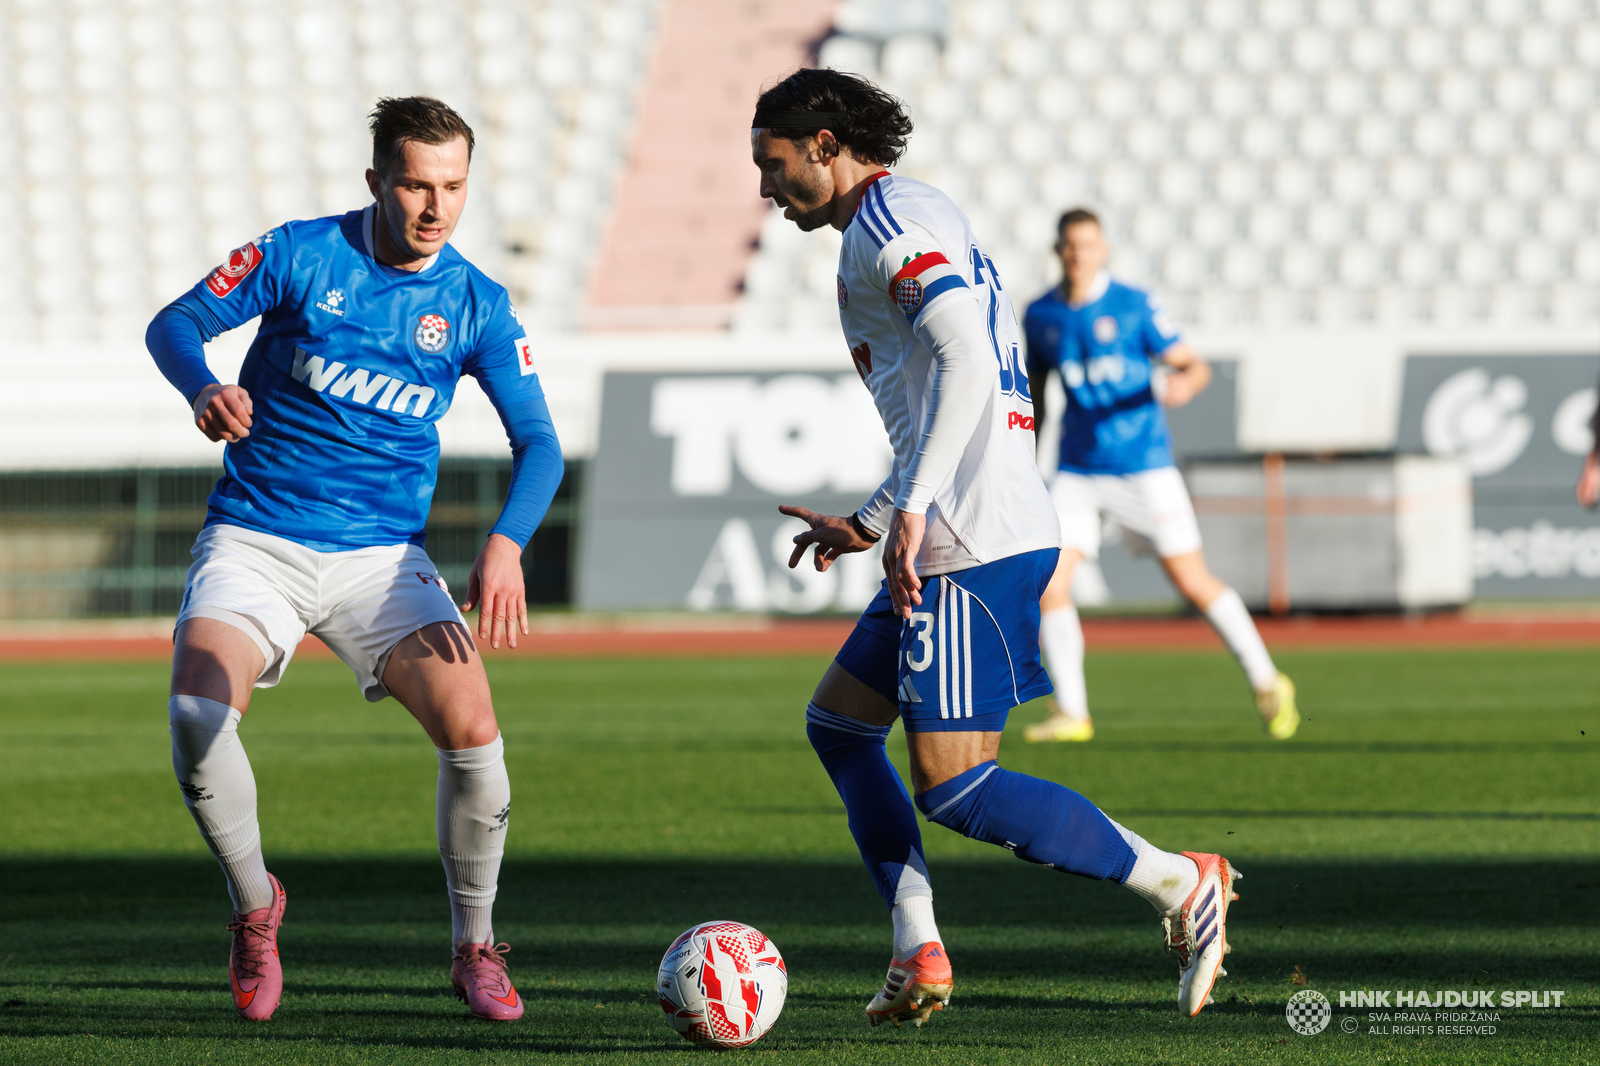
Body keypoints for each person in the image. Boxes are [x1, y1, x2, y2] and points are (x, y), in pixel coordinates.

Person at [754, 69, 1241, 1026]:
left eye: (774, 165)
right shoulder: (906, 212)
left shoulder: (886, 222)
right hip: (961, 524)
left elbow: (968, 358)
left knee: (955, 785)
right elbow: (942, 400)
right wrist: (875, 516)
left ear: (824, 146)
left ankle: (1181, 882)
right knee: (840, 726)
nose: (766, 188)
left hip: (971, 541)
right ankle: (918, 949)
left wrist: (912, 509)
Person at [145, 97, 563, 1023]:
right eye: (415, 184)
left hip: (381, 559)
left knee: (475, 733)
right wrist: (203, 386)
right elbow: (174, 323)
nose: (436, 207)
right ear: (376, 180)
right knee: (195, 718)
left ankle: (475, 946)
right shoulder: (300, 254)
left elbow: (540, 444)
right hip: (258, 536)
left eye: (454, 186)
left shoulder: (477, 303)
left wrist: (505, 544)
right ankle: (255, 907)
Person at [1019, 209, 1298, 744]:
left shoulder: (1134, 305)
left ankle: (1267, 680)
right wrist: (1025, 461)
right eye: (1070, 245)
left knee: (1192, 581)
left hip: (1142, 466)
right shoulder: (1041, 314)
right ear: (1058, 251)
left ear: (1103, 250)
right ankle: (1073, 711)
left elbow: (1193, 364)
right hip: (1077, 468)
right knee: (1049, 581)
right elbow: (1037, 394)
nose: (1078, 255)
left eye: (1088, 245)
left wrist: (1183, 383)